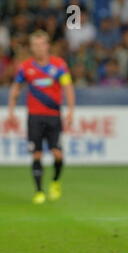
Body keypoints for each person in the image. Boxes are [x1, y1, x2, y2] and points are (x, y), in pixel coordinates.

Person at [7, 30, 75, 204]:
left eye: (42, 44)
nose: (39, 48)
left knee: (57, 154)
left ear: (47, 45)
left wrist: (70, 110)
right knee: (36, 154)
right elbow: (16, 88)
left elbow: (68, 87)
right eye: (35, 45)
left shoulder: (59, 65)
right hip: (35, 117)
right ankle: (38, 191)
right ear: (31, 47)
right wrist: (11, 112)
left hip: (53, 116)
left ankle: (55, 182)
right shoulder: (26, 67)